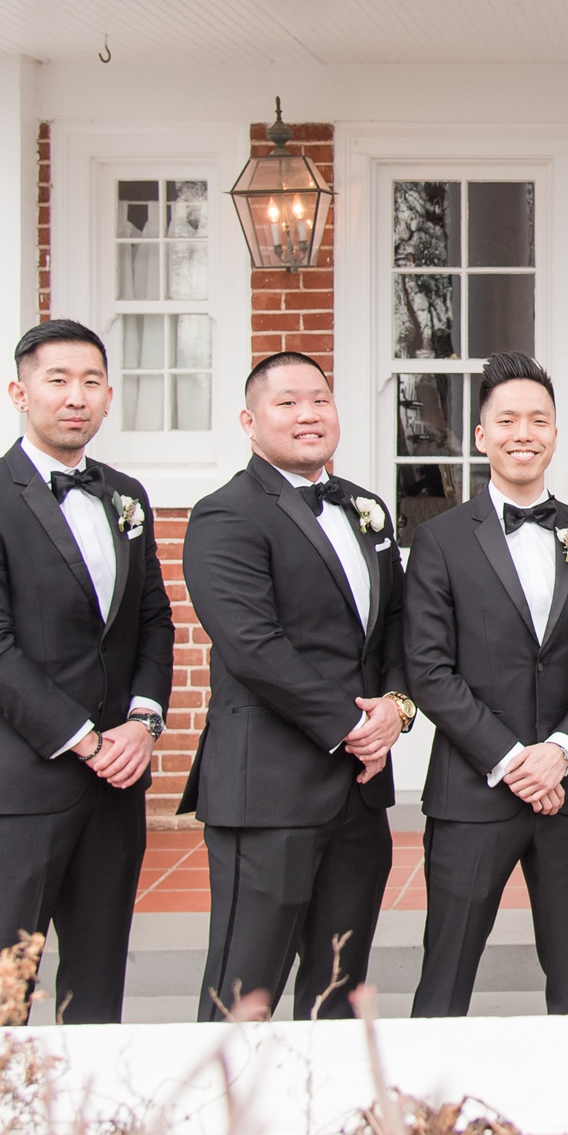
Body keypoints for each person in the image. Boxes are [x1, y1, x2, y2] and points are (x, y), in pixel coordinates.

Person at [0, 320, 175, 1025]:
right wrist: (85, 739)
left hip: (116, 784)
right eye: (58, 380)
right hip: (21, 780)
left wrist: (142, 720)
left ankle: (92, 1127)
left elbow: (154, 617)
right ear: (20, 391)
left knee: (98, 976)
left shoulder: (124, 494)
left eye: (92, 382)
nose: (77, 397)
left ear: (107, 397)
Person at [179, 350, 410, 1021]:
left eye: (320, 398)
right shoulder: (225, 515)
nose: (308, 413)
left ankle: (327, 1119)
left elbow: (394, 624)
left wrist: (398, 707)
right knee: (244, 987)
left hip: (360, 795)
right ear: (251, 421)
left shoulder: (367, 509)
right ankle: (221, 1120)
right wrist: (352, 726)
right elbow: (253, 646)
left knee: (339, 980)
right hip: (269, 792)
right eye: (287, 402)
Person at [402, 351, 568, 1016]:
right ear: (481, 435)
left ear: (555, 433)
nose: (522, 432)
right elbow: (429, 667)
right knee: (444, 981)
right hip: (473, 792)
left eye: (538, 419)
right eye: (507, 420)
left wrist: (560, 749)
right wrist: (511, 759)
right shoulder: (440, 539)